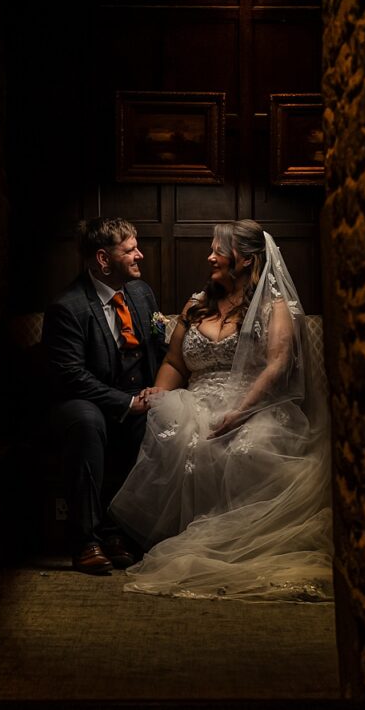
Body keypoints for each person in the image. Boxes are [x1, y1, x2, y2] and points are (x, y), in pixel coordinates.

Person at [108, 220, 333, 601]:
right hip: (196, 400)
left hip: (254, 404)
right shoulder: (197, 305)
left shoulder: (274, 306)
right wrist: (157, 395)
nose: (209, 256)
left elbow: (276, 366)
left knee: (247, 446)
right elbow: (177, 363)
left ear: (245, 260)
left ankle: (232, 544)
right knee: (176, 433)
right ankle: (158, 537)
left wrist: (240, 412)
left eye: (218, 250)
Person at [43, 217, 168, 574]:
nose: (139, 255)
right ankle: (86, 540)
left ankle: (119, 533)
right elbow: (70, 376)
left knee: (159, 417)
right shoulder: (68, 307)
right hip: (83, 399)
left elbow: (157, 346)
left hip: (132, 392)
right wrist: (127, 403)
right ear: (103, 258)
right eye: (130, 250)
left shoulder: (142, 293)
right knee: (87, 421)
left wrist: (156, 391)